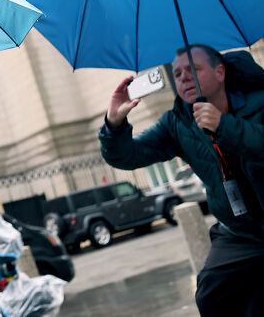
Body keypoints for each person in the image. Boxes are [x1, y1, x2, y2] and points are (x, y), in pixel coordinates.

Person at [98, 44, 264, 316]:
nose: (184, 78)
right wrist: (114, 124)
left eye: (193, 70)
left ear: (220, 72)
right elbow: (129, 156)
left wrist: (225, 125)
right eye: (177, 73)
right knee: (212, 295)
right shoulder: (177, 123)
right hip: (240, 232)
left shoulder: (259, 100)